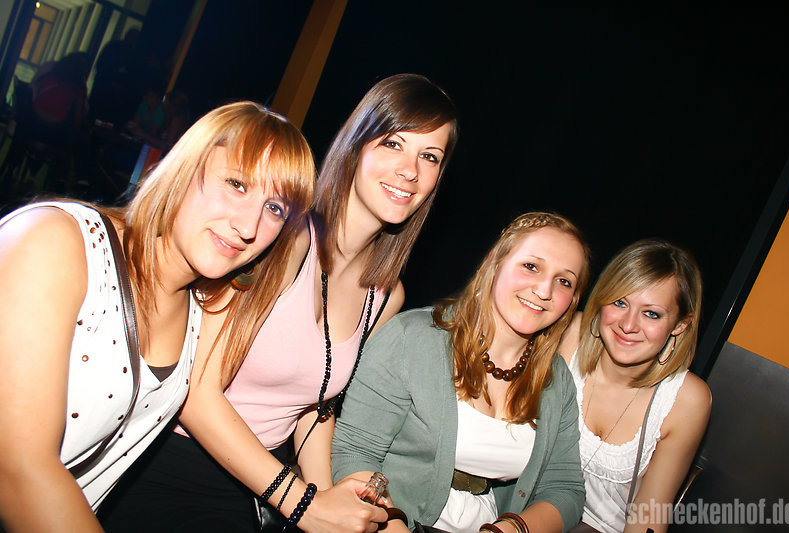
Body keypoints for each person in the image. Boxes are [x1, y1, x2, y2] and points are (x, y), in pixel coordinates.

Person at [99, 73, 459, 532]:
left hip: (262, 487)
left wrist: (329, 500)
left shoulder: (386, 295)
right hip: (175, 465)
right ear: (356, 145)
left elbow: (312, 405)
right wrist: (305, 503)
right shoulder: (283, 238)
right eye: (393, 144)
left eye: (430, 156)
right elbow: (196, 391)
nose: (410, 170)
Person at [0, 101, 316, 532]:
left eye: (275, 208)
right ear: (185, 167)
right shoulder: (57, 242)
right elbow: (17, 468)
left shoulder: (201, 310)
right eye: (236, 183)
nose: (248, 226)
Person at [332, 211, 591, 533]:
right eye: (531, 266)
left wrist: (509, 530)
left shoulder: (556, 380)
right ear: (496, 261)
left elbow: (564, 488)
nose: (544, 290)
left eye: (564, 281)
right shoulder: (411, 338)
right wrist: (392, 526)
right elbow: (355, 451)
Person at [557, 239, 712, 533]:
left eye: (651, 313)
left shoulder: (685, 399)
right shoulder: (570, 335)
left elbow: (649, 518)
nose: (628, 325)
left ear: (680, 324)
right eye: (620, 302)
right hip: (522, 506)